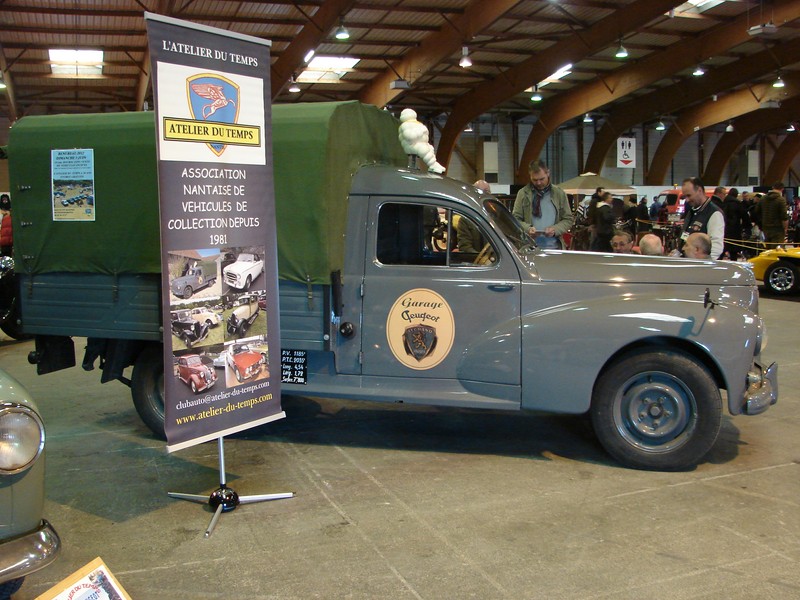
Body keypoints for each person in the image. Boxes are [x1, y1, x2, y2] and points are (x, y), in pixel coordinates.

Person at [512, 159, 574, 249]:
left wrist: (555, 230)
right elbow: (515, 219)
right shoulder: (522, 194)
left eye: (542, 179)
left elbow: (568, 219)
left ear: (548, 173)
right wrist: (527, 229)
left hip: (555, 247)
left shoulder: (559, 193)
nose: (538, 183)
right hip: (529, 247)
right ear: (530, 177)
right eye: (535, 180)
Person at [681, 177, 725, 259]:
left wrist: (706, 264)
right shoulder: (692, 212)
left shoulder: (714, 213)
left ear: (699, 191)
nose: (687, 200)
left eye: (689, 195)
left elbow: (716, 247)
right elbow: (685, 235)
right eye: (685, 196)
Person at [754, 182, 788, 246]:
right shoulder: (781, 200)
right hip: (778, 230)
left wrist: (761, 224)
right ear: (782, 189)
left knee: (768, 249)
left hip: (765, 228)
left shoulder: (763, 198)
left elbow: (756, 212)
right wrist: (785, 229)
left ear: (772, 187)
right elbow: (784, 217)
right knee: (777, 250)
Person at [721, 187, 746, 259]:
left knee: (722, 250)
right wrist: (747, 226)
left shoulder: (723, 203)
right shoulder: (738, 204)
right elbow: (744, 216)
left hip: (724, 230)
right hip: (735, 230)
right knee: (734, 252)